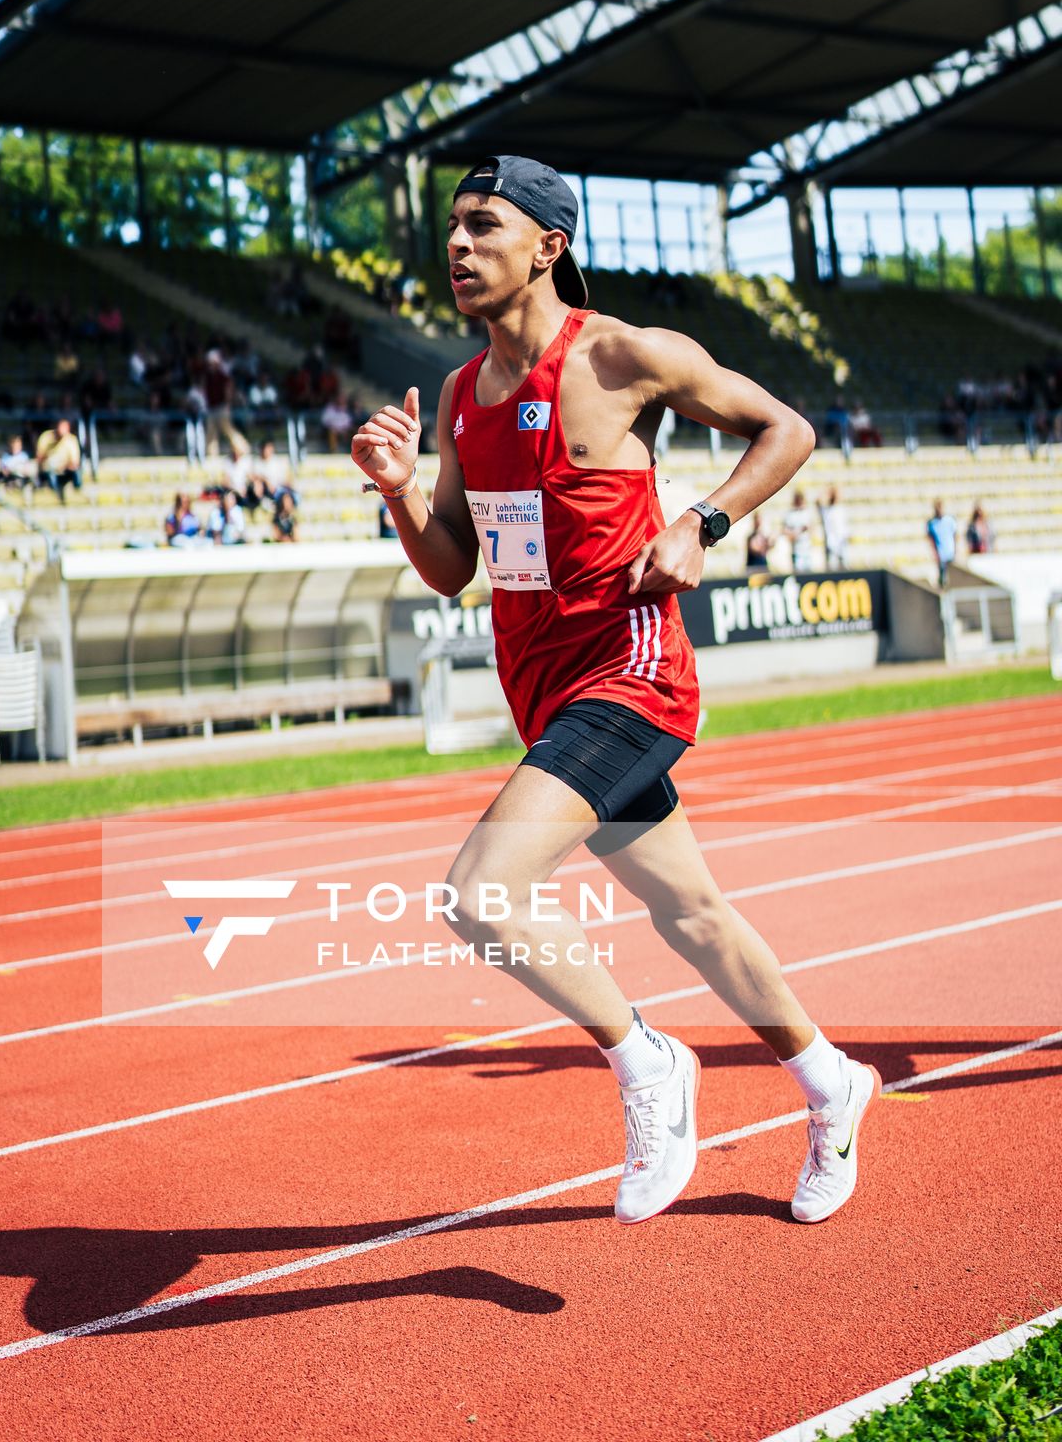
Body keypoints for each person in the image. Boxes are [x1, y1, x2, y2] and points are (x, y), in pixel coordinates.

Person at [352, 155, 877, 1228]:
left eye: (480, 226)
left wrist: (700, 522)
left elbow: (788, 430)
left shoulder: (623, 354)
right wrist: (401, 491)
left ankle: (646, 1064)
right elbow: (452, 567)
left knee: (479, 891)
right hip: (539, 687)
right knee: (692, 916)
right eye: (450, 226)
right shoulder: (459, 393)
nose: (454, 245)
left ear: (546, 245)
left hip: (628, 669)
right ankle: (832, 1084)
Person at [36, 417, 82, 497]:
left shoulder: (71, 440)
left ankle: (78, 492)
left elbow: (75, 463)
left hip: (64, 470)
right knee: (50, 472)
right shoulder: (46, 437)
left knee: (77, 472)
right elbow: (39, 458)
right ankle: (54, 494)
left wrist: (63, 466)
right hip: (49, 469)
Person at [782, 488, 816, 572]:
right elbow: (785, 531)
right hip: (796, 551)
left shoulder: (807, 512)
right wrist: (798, 532)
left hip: (807, 551)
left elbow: (812, 529)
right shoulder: (790, 514)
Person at [926, 499, 957, 587]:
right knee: (942, 578)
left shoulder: (949, 520)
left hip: (950, 553)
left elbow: (955, 535)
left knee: (953, 576)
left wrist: (955, 549)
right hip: (941, 554)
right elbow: (931, 539)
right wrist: (935, 553)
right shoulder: (931, 523)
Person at [818, 487, 850, 570]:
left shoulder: (840, 509)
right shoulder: (826, 510)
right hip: (830, 543)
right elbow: (817, 501)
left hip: (841, 542)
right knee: (831, 568)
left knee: (844, 567)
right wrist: (826, 493)